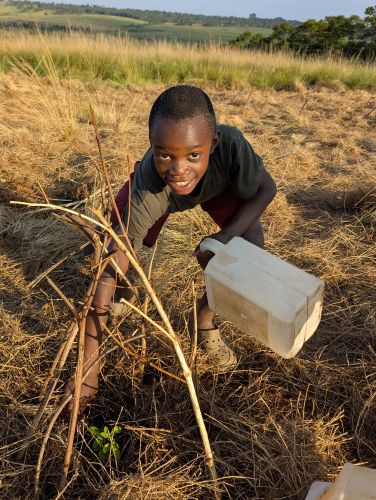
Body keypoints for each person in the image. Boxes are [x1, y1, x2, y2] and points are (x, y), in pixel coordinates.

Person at [64, 85, 277, 412]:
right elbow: (109, 264)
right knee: (115, 247)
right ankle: (125, 293)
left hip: (218, 188)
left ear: (213, 144)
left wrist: (227, 236)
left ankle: (203, 318)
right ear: (152, 145)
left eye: (193, 155)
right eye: (165, 154)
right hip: (159, 195)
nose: (179, 170)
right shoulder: (150, 185)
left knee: (251, 248)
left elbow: (266, 189)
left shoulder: (232, 148)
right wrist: (88, 368)